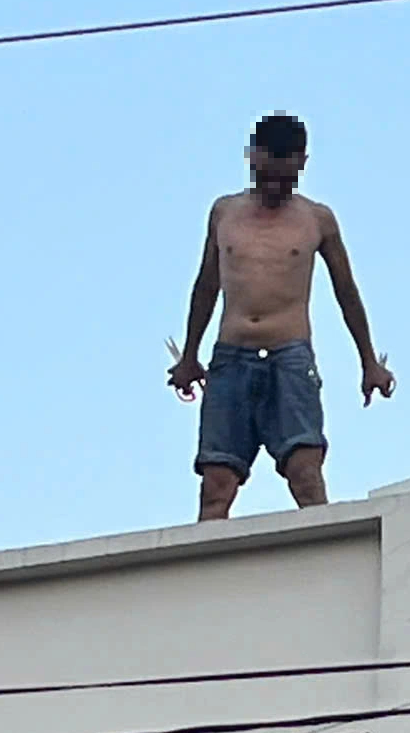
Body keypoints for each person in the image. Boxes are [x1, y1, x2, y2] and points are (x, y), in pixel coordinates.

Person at [167, 112, 395, 521]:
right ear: (252, 158)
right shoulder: (224, 213)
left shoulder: (317, 219)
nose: (276, 186)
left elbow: (346, 291)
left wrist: (368, 362)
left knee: (306, 475)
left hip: (289, 357)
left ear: (301, 164)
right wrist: (189, 356)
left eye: (286, 177)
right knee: (216, 484)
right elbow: (206, 285)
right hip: (231, 356)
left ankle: (324, 550)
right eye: (268, 174)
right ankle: (209, 558)